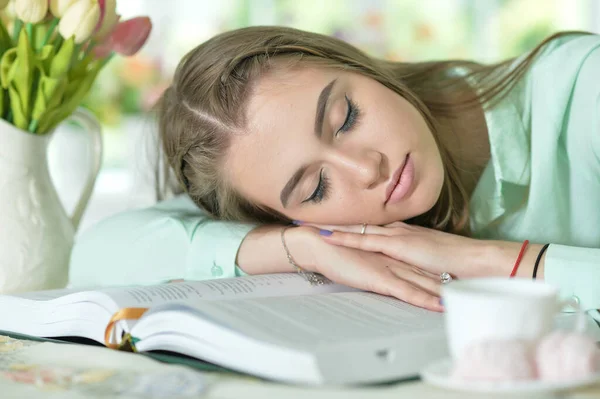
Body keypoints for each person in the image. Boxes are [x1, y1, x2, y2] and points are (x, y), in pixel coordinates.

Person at [70, 26, 600, 316]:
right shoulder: (305, 225)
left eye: (346, 117)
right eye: (316, 187)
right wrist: (304, 247)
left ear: (357, 64)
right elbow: (96, 255)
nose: (366, 168)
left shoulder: (580, 90)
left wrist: (491, 260)